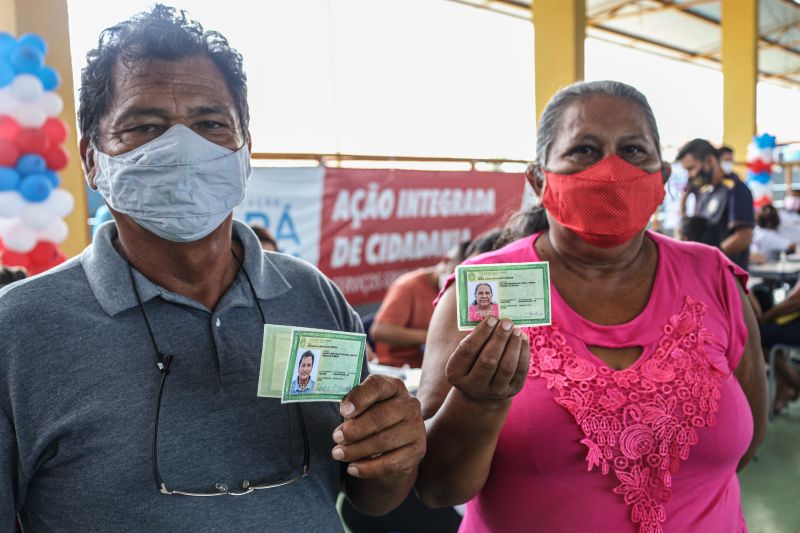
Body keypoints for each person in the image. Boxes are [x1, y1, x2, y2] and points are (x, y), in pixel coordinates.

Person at [0, 6, 425, 530]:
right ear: (92, 160)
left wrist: (395, 449)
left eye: (210, 124)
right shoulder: (17, 330)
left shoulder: (310, 294)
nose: (184, 148)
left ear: (245, 150)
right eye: (145, 126)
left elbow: (369, 494)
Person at [415, 80, 767, 533]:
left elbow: (747, 440)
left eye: (633, 150)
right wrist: (478, 404)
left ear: (662, 176)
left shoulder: (714, 278)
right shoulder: (483, 290)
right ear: (538, 179)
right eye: (584, 150)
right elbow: (436, 486)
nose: (612, 171)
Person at [370, 244, 466, 368]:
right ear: (446, 261)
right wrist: (434, 336)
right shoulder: (407, 286)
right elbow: (380, 331)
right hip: (399, 367)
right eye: (455, 274)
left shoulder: (459, 293)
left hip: (436, 364)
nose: (457, 282)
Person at [677, 139, 755, 269]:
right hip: (707, 271)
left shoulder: (735, 189)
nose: (690, 175)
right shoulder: (705, 192)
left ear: (710, 161)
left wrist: (710, 258)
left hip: (727, 273)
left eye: (691, 169)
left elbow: (744, 236)